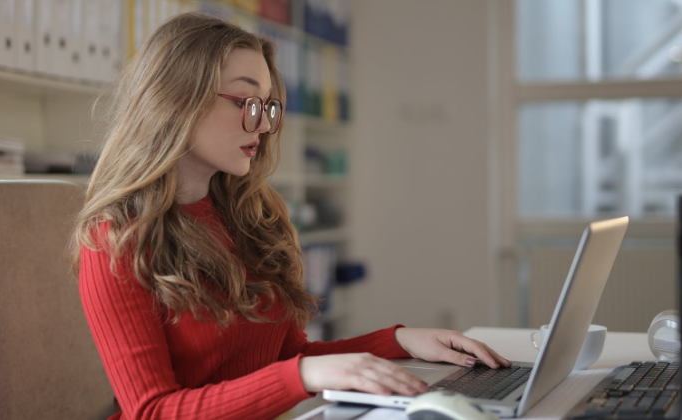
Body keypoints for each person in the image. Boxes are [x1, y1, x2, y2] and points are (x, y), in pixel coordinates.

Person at [71, 12, 511, 420]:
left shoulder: (249, 215)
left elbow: (285, 358)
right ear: (177, 99)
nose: (262, 126)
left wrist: (397, 341)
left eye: (267, 106)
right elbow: (152, 411)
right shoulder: (115, 238)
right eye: (246, 101)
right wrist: (302, 377)